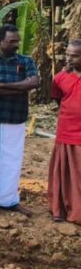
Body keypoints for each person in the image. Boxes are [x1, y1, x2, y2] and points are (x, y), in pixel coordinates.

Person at [0, 24, 39, 213]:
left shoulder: (25, 61)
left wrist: (1, 85)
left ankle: (9, 200)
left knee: (13, 160)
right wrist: (20, 87)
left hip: (16, 116)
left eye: (17, 41)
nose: (16, 44)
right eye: (12, 41)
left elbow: (34, 82)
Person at [50, 40, 81, 224]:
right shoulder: (59, 78)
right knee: (66, 172)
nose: (69, 58)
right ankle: (61, 209)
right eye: (68, 54)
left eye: (74, 56)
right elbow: (58, 100)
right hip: (66, 129)